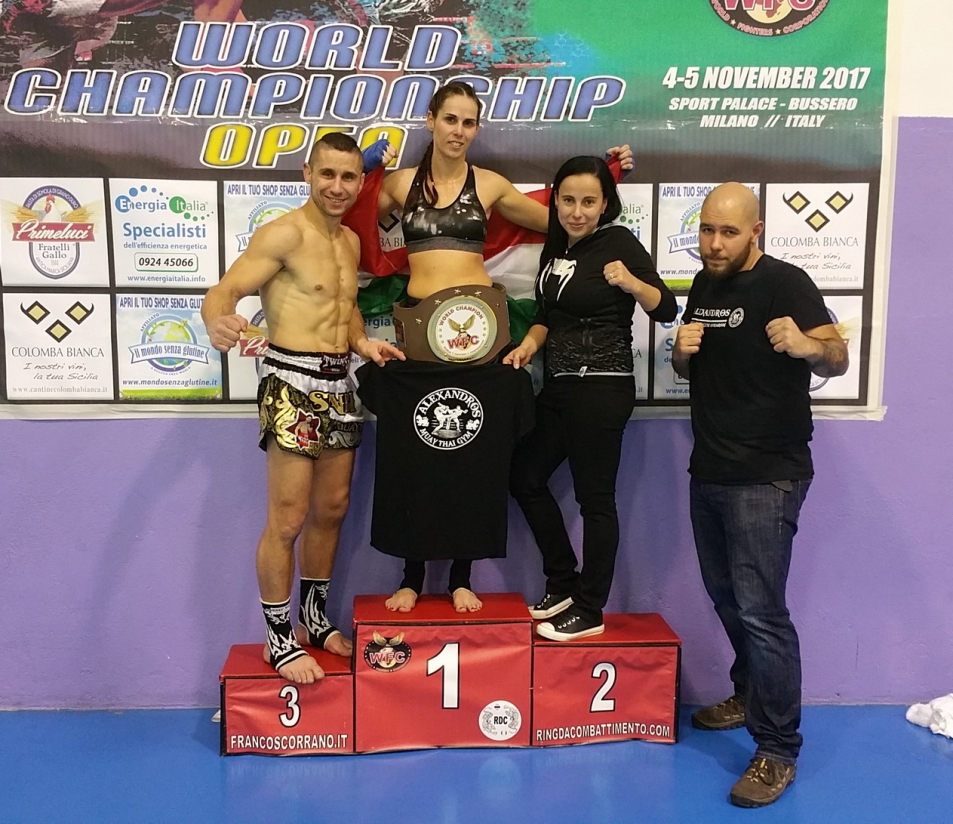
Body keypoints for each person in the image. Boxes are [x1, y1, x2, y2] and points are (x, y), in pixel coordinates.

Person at [360, 81, 632, 614]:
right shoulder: (398, 184)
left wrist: (607, 177)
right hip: (420, 334)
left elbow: (560, 218)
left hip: (480, 335)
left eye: (468, 122)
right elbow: (346, 209)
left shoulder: (489, 185)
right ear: (430, 120)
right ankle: (412, 575)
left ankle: (462, 576)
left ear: (476, 128)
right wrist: (366, 169)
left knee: (474, 453)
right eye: (450, 119)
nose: (458, 131)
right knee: (417, 453)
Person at [202, 132, 403, 685]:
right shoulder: (284, 232)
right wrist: (217, 320)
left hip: (341, 385)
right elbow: (225, 291)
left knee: (331, 510)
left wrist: (363, 344)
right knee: (287, 518)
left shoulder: (350, 242)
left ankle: (313, 621)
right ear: (308, 174)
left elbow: (347, 307)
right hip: (290, 383)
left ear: (360, 182)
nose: (337, 186)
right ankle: (278, 638)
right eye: (327, 174)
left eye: (348, 176)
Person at [671, 182, 848, 807]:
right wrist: (680, 355)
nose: (715, 244)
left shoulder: (786, 283)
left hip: (768, 475)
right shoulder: (705, 284)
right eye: (707, 231)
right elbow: (695, 368)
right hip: (710, 470)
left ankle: (777, 749)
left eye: (728, 232)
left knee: (762, 612)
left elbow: (837, 356)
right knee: (727, 599)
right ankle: (749, 695)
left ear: (756, 231)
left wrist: (807, 346)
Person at [505, 156, 677, 640]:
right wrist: (527, 346)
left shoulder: (617, 241)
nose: (576, 211)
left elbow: (665, 307)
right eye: (568, 200)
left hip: (602, 387)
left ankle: (590, 608)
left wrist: (631, 283)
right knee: (524, 476)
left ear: (605, 205)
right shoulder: (557, 246)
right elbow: (547, 316)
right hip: (559, 387)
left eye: (588, 202)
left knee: (595, 500)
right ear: (556, 200)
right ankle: (563, 582)